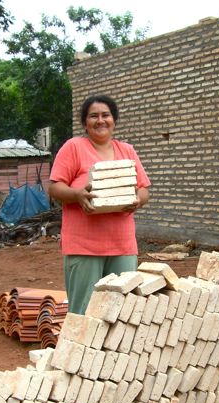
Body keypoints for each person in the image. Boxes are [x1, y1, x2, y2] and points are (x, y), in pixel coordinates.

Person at [48, 94, 151, 314]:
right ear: (85, 122)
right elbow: (55, 187)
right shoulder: (74, 147)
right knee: (84, 312)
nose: (100, 120)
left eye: (106, 115)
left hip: (122, 245)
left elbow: (144, 189)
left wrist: (137, 201)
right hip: (84, 246)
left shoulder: (127, 150)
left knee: (122, 311)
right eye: (93, 116)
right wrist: (77, 195)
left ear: (114, 120)